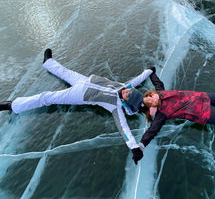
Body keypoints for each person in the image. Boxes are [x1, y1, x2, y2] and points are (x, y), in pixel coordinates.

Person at [0, 49, 155, 159]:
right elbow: (136, 80)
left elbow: (123, 127)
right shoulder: (124, 87)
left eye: (128, 95)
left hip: (79, 94)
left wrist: (134, 147)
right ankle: (48, 62)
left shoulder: (114, 106)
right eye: (129, 91)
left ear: (126, 102)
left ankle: (13, 105)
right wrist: (149, 71)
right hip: (85, 80)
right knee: (66, 72)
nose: (126, 92)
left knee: (47, 97)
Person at [131, 71, 215, 164]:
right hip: (205, 112)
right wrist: (141, 146)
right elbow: (152, 131)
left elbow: (157, 83)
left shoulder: (161, 93)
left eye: (149, 96)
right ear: (151, 107)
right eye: (149, 102)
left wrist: (151, 72)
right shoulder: (162, 114)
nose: (151, 98)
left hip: (204, 97)